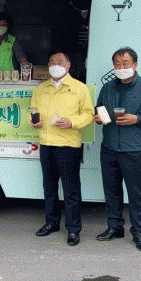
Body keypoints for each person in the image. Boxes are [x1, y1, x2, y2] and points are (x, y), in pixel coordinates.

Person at [94, 47, 141, 252]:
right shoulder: (108, 87)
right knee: (111, 191)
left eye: (125, 63)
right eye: (117, 64)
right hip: (109, 147)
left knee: (136, 194)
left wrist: (138, 118)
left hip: (134, 149)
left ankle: (139, 233)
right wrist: (99, 118)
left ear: (135, 64)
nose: (121, 67)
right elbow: (100, 108)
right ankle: (115, 227)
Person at [30, 51, 94, 246]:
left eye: (59, 61)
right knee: (49, 187)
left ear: (68, 65)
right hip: (47, 143)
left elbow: (89, 114)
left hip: (68, 145)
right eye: (51, 62)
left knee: (71, 189)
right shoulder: (41, 88)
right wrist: (33, 121)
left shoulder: (79, 88)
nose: (55, 65)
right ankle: (51, 223)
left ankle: (73, 229)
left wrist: (72, 122)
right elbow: (32, 110)